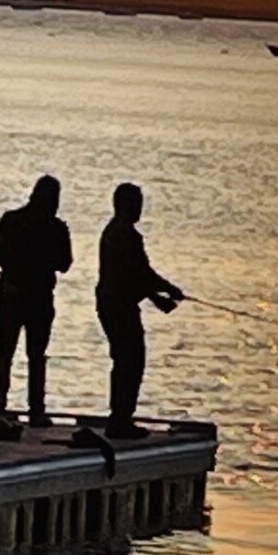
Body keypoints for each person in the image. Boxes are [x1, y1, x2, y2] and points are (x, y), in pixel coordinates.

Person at [95, 182, 183, 441]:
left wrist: (158, 297)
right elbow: (141, 274)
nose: (140, 209)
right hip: (119, 307)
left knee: (123, 361)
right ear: (125, 205)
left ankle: (120, 417)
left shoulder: (112, 232)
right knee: (131, 361)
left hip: (110, 303)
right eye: (136, 203)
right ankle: (120, 420)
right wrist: (167, 290)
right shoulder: (127, 236)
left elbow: (136, 277)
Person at [0, 175, 73, 426]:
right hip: (39, 298)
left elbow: (0, 254)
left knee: (5, 352)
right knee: (36, 355)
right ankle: (36, 410)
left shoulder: (11, 220)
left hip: (11, 295)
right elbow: (65, 264)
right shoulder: (57, 228)